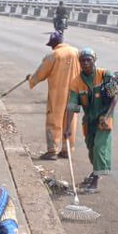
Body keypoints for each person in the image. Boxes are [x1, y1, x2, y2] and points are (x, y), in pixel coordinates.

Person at [64, 48, 118, 192]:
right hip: (89, 120)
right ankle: (96, 172)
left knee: (99, 147)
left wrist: (108, 115)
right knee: (91, 148)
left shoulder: (104, 75)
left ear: (94, 60)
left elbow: (115, 95)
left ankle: (95, 180)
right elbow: (72, 106)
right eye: (82, 60)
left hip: (104, 118)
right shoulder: (76, 82)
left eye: (88, 60)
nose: (85, 63)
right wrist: (67, 127)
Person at [28, 32, 80, 160]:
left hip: (57, 94)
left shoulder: (53, 55)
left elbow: (41, 73)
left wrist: (31, 80)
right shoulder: (76, 52)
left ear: (53, 44)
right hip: (75, 93)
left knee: (54, 120)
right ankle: (67, 150)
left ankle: (52, 150)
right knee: (71, 120)